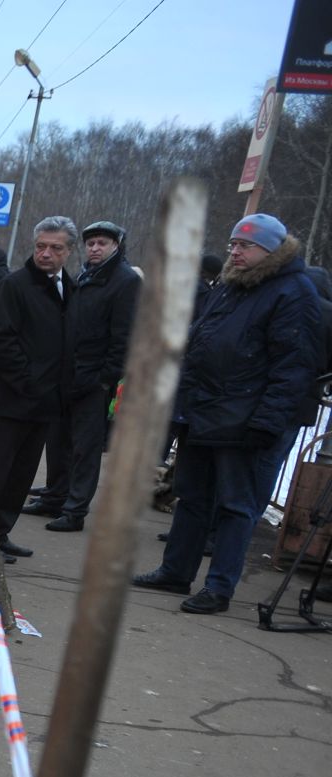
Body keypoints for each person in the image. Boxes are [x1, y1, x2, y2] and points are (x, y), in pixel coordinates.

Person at [134, 213, 326, 614]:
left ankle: (219, 587)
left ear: (270, 251)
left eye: (245, 246)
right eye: (233, 245)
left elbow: (293, 368)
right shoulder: (232, 286)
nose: (234, 252)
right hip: (205, 412)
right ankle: (176, 570)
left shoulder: (293, 293)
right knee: (191, 496)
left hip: (245, 420)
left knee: (236, 506)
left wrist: (267, 422)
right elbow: (200, 344)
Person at [0, 216, 78, 559]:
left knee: (22, 475)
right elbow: (0, 339)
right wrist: (28, 381)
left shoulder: (69, 288)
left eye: (55, 248)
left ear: (69, 251)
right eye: (41, 246)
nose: (46, 254)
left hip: (48, 402)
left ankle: (1, 532)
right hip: (16, 397)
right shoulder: (16, 285)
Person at [42, 219, 142, 532]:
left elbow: (124, 336)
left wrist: (104, 378)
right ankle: (54, 497)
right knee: (58, 440)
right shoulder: (86, 275)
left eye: (103, 243)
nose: (95, 248)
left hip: (94, 378)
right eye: (91, 243)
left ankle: (75, 511)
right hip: (69, 374)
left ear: (117, 246)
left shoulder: (125, 281)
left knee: (85, 449)